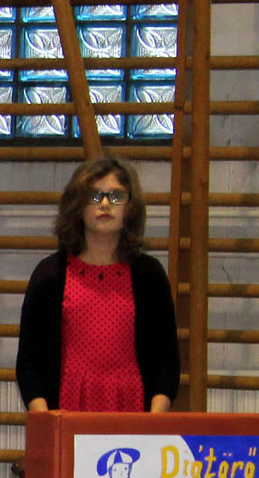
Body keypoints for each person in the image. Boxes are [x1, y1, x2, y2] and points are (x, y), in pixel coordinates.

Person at [16, 157, 180, 417]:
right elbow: (29, 362)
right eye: (94, 196)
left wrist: (152, 421)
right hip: (65, 412)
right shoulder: (50, 276)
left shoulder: (149, 276)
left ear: (130, 207)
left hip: (133, 411)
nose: (105, 204)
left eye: (116, 196)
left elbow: (166, 359)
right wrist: (47, 420)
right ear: (77, 206)